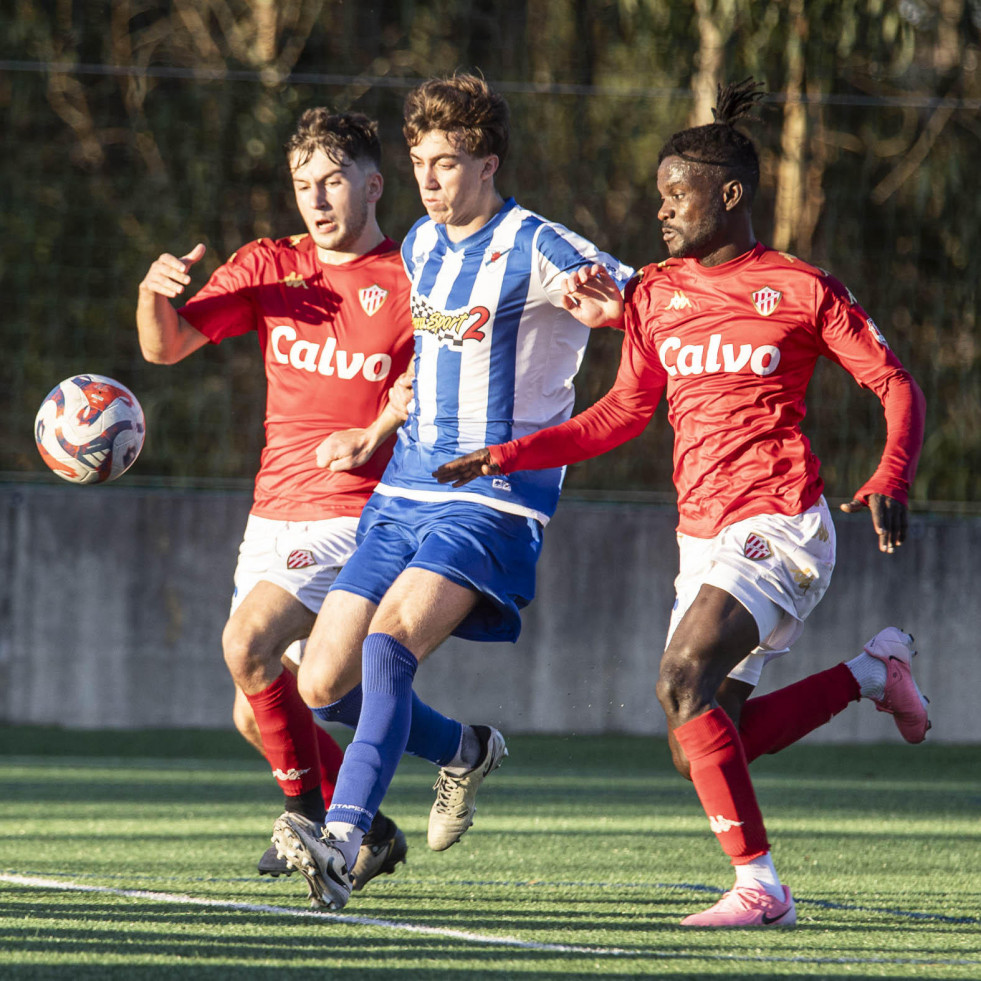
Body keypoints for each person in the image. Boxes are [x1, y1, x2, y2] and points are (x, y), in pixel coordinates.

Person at [433, 79, 929, 928]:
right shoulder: (655, 295)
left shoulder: (800, 287)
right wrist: (510, 454)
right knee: (697, 733)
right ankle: (868, 673)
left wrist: (888, 473)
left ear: (728, 195)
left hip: (781, 521)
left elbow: (893, 383)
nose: (659, 210)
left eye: (675, 194)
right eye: (657, 195)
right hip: (699, 538)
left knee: (679, 677)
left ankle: (761, 887)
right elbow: (621, 412)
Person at [269, 72, 635, 911]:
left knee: (390, 644)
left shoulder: (540, 245)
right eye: (419, 161)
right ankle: (463, 748)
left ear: (488, 163)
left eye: (445, 162)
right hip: (403, 490)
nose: (428, 179)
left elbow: (639, 298)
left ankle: (344, 836)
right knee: (322, 681)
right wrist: (376, 431)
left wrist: (611, 314)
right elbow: (431, 363)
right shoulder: (420, 246)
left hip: (493, 500)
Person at [135, 108, 416, 893]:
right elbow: (166, 346)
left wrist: (385, 423)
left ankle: (311, 829)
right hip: (271, 512)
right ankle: (378, 830)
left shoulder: (410, 276)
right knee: (251, 709)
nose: (317, 200)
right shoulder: (268, 265)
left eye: (333, 181)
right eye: (303, 185)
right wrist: (154, 293)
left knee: (245, 641)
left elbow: (446, 376)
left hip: (350, 510)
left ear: (372, 184)